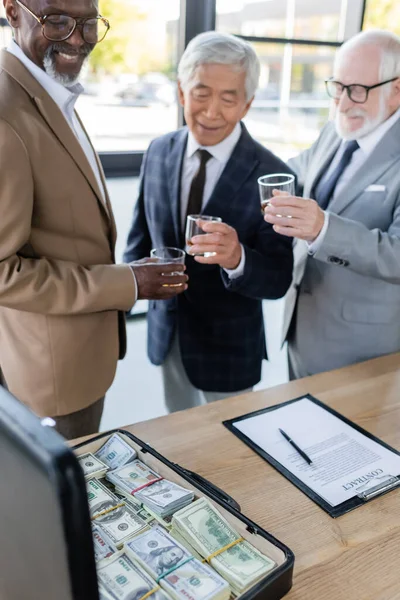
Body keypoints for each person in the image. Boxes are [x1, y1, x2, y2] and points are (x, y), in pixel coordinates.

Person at [0, 0, 188, 439]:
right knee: (62, 503)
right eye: (58, 21)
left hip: (76, 362)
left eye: (89, 23)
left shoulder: (48, 89)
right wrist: (130, 283)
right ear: (12, 11)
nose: (79, 40)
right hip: (50, 381)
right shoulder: (7, 116)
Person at [123, 31, 293, 412]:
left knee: (230, 460)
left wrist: (237, 257)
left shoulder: (272, 173)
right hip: (167, 338)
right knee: (178, 450)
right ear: (182, 93)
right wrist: (122, 292)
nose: (212, 111)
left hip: (230, 352)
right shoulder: (158, 151)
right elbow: (138, 239)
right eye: (200, 94)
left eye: (228, 98)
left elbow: (279, 277)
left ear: (247, 104)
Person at [263, 30, 400, 379]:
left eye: (357, 90)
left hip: (363, 350)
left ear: (397, 89)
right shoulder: (336, 129)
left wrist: (324, 229)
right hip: (302, 333)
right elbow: (292, 173)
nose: (341, 102)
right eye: (337, 86)